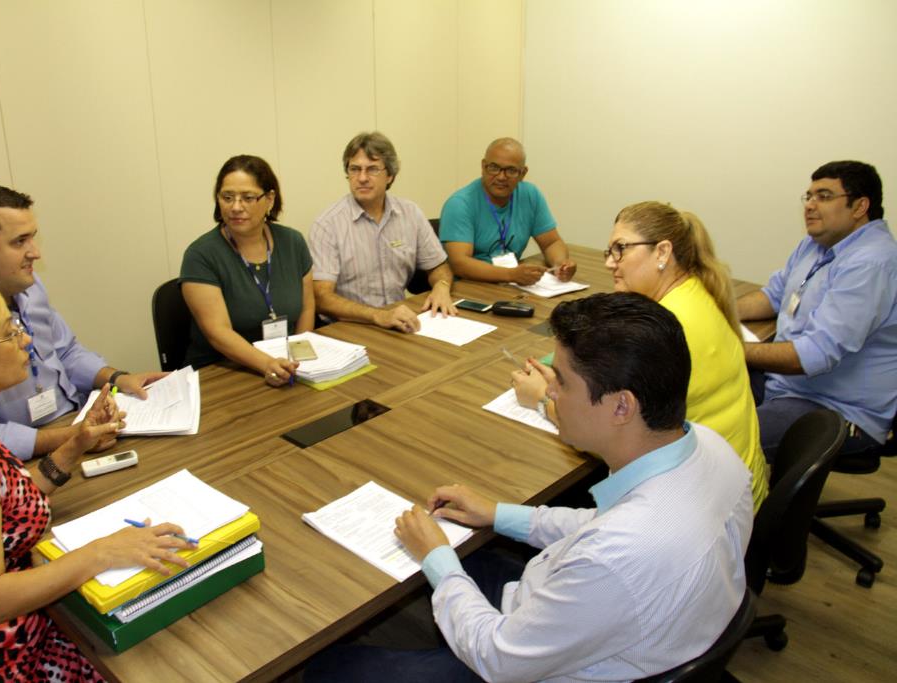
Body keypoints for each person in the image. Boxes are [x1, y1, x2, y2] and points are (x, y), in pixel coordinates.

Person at [306, 293, 753, 682]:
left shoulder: (616, 556)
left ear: (622, 406)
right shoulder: (711, 450)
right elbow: (603, 524)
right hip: (623, 624)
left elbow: (497, 658)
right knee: (465, 553)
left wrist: (438, 558)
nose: (550, 391)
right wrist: (499, 515)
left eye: (561, 380)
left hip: (533, 665)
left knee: (331, 668)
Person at [0, 278, 192, 680]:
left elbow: (2, 503)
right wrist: (103, 552)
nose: (25, 341)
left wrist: (75, 446)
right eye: (9, 334)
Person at [514, 201, 768, 509]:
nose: (610, 262)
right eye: (609, 251)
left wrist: (543, 398)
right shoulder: (697, 293)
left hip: (705, 508)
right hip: (737, 485)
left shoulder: (669, 328)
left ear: (662, 252)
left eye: (620, 249)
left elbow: (605, 437)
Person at [0, 181, 166, 460]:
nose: (35, 252)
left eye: (33, 238)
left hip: (74, 426)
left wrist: (117, 379)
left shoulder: (28, 284)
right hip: (25, 458)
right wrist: (72, 438)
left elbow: (66, 351)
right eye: (20, 241)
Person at [738, 161, 897, 461]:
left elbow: (813, 356)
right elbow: (773, 296)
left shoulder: (872, 263)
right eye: (808, 197)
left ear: (860, 206)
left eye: (824, 196)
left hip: (834, 409)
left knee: (724, 441)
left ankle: (765, 505)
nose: (810, 206)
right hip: (787, 385)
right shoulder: (815, 245)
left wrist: (730, 347)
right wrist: (720, 310)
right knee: (698, 394)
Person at [180, 155, 314, 386]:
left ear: (270, 199)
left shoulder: (293, 242)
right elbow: (217, 333)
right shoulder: (201, 255)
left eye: (248, 198)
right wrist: (267, 364)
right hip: (220, 373)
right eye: (227, 197)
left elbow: (307, 306)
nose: (236, 207)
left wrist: (299, 359)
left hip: (284, 368)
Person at [310, 132, 456, 333]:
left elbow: (439, 266)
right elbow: (322, 298)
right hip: (349, 327)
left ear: (390, 175)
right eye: (354, 169)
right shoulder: (327, 224)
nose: (362, 178)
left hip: (398, 322)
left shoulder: (410, 213)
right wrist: (377, 315)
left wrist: (441, 286)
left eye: (372, 169)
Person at [439, 137, 576, 285]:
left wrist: (561, 265)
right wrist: (511, 275)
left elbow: (551, 243)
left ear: (523, 173)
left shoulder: (530, 195)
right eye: (494, 168)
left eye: (511, 170)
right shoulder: (460, 204)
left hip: (511, 285)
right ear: (483, 166)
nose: (501, 177)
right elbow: (460, 264)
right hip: (470, 286)